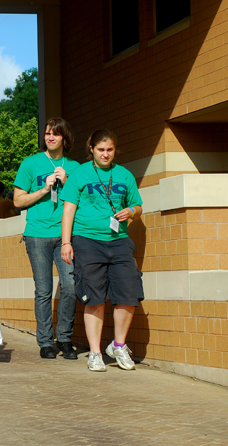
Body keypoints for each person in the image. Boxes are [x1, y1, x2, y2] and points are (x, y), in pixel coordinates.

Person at [60, 129, 144, 372]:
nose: (105, 154)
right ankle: (95, 353)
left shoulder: (124, 175)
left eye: (109, 150)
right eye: (101, 150)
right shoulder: (80, 174)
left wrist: (132, 212)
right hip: (87, 241)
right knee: (94, 297)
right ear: (91, 149)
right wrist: (66, 243)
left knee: (128, 294)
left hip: (119, 240)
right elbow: (68, 210)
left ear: (115, 150)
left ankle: (118, 345)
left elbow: (138, 206)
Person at [13, 117, 80, 360]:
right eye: (47, 133)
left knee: (71, 287)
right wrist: (43, 189)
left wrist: (68, 182)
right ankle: (45, 342)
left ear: (64, 138)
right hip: (37, 235)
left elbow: (84, 203)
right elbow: (18, 201)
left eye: (56, 133)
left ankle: (64, 338)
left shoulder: (75, 167)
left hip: (65, 237)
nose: (51, 137)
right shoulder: (30, 164)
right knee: (43, 290)